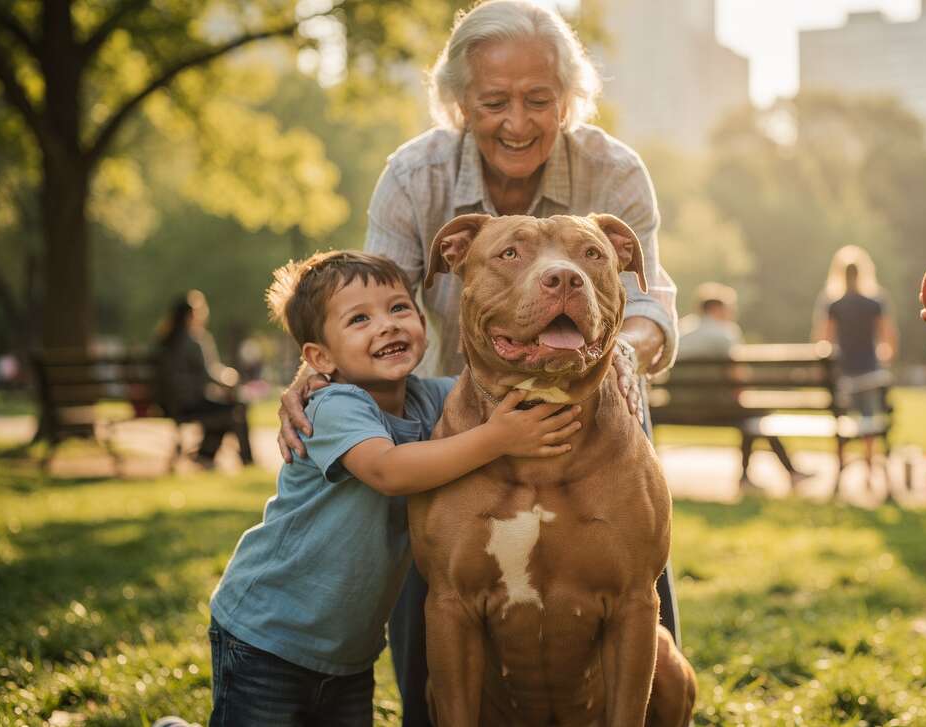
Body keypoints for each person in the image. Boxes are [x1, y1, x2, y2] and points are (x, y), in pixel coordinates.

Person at [272, 2, 681, 723]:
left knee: (640, 608)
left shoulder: (613, 170)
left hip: (600, 414)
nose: (517, 122)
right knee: (433, 591)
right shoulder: (415, 176)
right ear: (461, 103)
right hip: (459, 418)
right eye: (494, 102)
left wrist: (621, 350)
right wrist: (318, 371)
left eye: (539, 100)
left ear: (568, 99)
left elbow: (650, 300)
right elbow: (370, 303)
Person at [208, 250, 578, 726]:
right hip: (267, 636)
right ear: (319, 358)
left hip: (348, 654)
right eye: (359, 318)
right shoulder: (333, 405)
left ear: (422, 321)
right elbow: (388, 471)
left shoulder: (432, 398)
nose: (387, 325)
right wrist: (497, 438)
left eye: (399, 309)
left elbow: (496, 388)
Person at [677, 282, 813, 494]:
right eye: (728, 309)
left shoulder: (681, 331)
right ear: (715, 309)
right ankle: (769, 474)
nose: (731, 313)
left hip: (677, 406)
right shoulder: (725, 333)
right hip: (713, 407)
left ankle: (770, 474)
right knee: (757, 415)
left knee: (752, 415)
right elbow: (736, 374)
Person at [816, 247, 897, 493]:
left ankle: (840, 467)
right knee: (869, 420)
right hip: (870, 372)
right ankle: (870, 471)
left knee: (841, 420)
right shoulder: (874, 302)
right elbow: (888, 339)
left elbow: (824, 342)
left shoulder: (834, 304)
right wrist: (885, 358)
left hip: (844, 375)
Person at [153, 290, 253, 468]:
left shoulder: (164, 341)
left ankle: (206, 454)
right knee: (237, 408)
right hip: (191, 404)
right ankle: (246, 460)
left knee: (224, 411)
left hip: (168, 404)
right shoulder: (193, 340)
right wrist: (231, 378)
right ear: (191, 315)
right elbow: (209, 374)